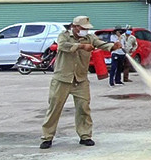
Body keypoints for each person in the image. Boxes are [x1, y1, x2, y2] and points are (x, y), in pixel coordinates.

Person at [40, 16, 121, 149]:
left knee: (84, 107)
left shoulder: (90, 37)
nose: (85, 31)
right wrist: (81, 46)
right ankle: (47, 137)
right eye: (83, 28)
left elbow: (101, 44)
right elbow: (63, 46)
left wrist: (113, 47)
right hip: (62, 79)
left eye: (87, 29)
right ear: (75, 27)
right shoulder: (64, 36)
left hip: (81, 79)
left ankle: (85, 136)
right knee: (55, 108)